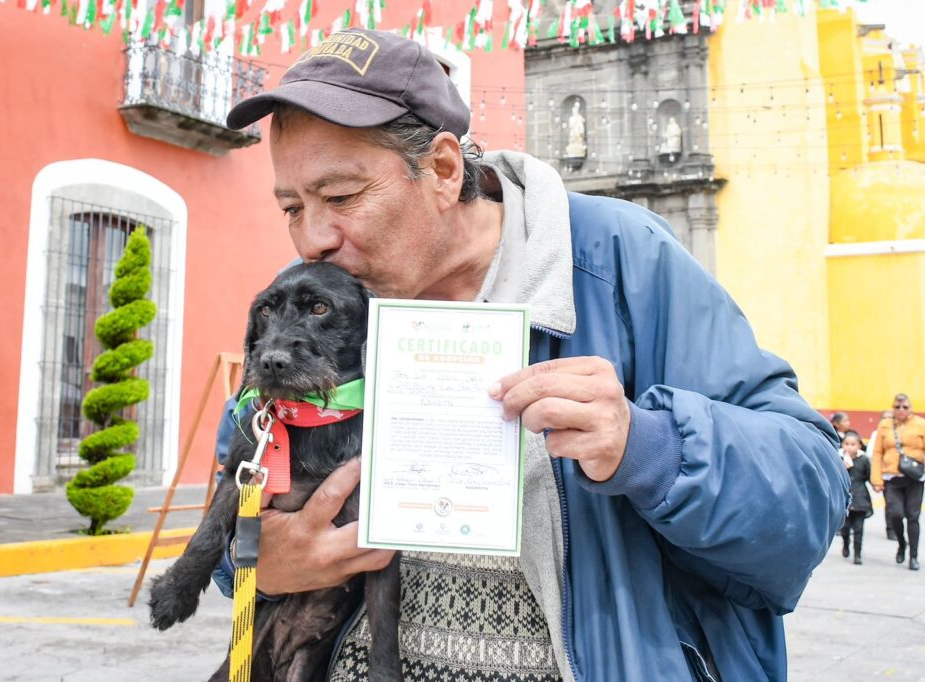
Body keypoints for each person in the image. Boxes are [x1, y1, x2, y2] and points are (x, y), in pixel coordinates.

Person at [213, 29, 849, 680]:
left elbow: (810, 494)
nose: (312, 238)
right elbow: (238, 500)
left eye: (341, 197)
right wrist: (256, 561)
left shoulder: (618, 259)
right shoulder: (315, 299)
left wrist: (648, 447)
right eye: (291, 207)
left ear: (442, 170)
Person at [871, 393, 925, 571]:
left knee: (913, 516)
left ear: (911, 408)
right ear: (893, 408)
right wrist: (876, 479)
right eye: (897, 407)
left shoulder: (920, 424)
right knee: (895, 514)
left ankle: (913, 556)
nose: (901, 410)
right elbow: (877, 453)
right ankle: (902, 543)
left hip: (914, 478)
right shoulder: (885, 425)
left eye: (905, 407)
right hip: (892, 478)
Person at [839, 430, 872, 565]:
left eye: (853, 444)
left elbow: (868, 475)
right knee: (845, 527)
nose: (849, 447)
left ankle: (857, 554)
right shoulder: (839, 458)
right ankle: (846, 543)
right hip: (844, 497)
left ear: (859, 446)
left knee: (859, 528)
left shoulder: (864, 459)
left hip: (860, 497)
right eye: (846, 444)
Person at [865, 409, 896, 541]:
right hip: (885, 473)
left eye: (890, 417)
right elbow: (871, 455)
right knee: (891, 503)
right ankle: (891, 528)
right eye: (885, 417)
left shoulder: (900, 432)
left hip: (900, 473)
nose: (887, 420)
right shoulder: (877, 434)